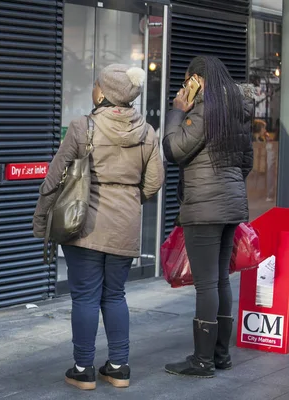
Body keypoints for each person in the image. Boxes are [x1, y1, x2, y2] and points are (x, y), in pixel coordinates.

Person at [33, 64, 164, 390]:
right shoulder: (147, 132)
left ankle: (83, 368)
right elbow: (154, 182)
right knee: (115, 295)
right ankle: (119, 367)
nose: (93, 88)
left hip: (84, 226)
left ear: (103, 93)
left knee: (86, 298)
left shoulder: (82, 127)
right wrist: (131, 202)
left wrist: (41, 222)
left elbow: (53, 178)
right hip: (124, 225)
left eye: (96, 84)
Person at [163, 56, 254, 378]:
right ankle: (220, 355)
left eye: (186, 80)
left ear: (197, 80)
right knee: (219, 280)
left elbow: (174, 150)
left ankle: (202, 361)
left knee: (206, 285)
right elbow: (246, 163)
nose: (183, 87)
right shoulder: (238, 111)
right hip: (231, 205)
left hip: (204, 207)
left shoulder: (203, 111)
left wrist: (176, 111)